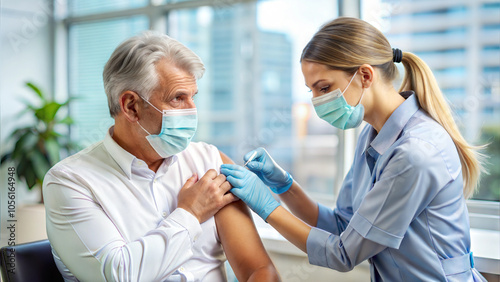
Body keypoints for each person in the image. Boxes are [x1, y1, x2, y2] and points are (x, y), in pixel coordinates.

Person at [221, 17, 487, 281]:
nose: (316, 101)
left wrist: (266, 207)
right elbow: (342, 225)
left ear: (365, 75)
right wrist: (284, 186)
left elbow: (344, 253)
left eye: (324, 88)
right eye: (311, 90)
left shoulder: (414, 152)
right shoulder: (372, 136)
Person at [43, 31, 279, 282]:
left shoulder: (208, 161)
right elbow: (118, 275)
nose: (192, 111)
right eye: (178, 98)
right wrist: (190, 213)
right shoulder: (70, 181)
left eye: (193, 97)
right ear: (131, 106)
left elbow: (258, 270)